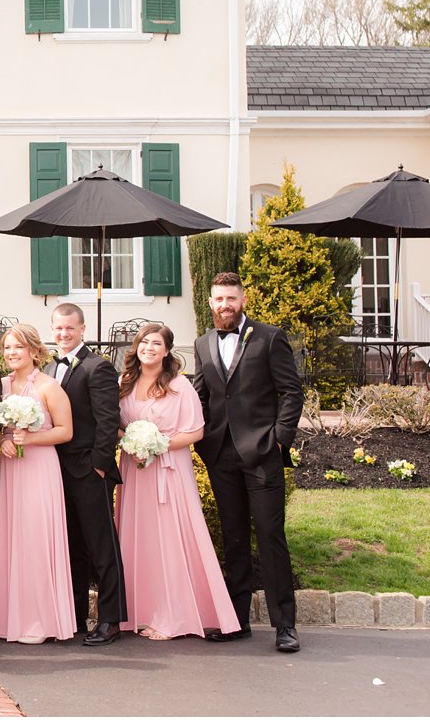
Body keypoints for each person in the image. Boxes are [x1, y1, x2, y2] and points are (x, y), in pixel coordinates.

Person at [190, 272, 303, 654]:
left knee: (271, 538)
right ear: (210, 302)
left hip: (262, 454)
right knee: (234, 537)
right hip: (220, 454)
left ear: (243, 299)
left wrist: (278, 441)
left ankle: (284, 625)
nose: (225, 305)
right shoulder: (203, 343)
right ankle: (236, 620)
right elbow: (200, 396)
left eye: (231, 298)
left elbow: (291, 392)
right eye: (219, 299)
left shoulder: (270, 337)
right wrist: (202, 441)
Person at [117, 323, 242, 641]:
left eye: (156, 343)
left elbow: (196, 431)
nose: (149, 348)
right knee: (140, 539)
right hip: (135, 471)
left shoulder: (179, 385)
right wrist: (131, 441)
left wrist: (157, 444)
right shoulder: (125, 382)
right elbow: (115, 425)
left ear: (167, 350)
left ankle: (174, 616)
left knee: (169, 540)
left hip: (169, 471)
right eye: (144, 342)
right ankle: (140, 612)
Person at [0, 324, 75, 645]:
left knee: (38, 538)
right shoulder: (0, 386)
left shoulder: (49, 387)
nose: (11, 353)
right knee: (15, 538)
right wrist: (1, 441)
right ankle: (11, 620)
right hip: (14, 467)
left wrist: (33, 438)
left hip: (40, 468)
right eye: (8, 347)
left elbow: (65, 431)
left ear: (34, 351)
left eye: (18, 348)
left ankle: (41, 621)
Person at [48, 302, 127, 646]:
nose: (63, 334)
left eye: (69, 328)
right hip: (56, 470)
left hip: (88, 469)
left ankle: (110, 619)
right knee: (72, 547)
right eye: (58, 329)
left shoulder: (99, 367)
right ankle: (77, 616)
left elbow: (109, 420)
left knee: (101, 546)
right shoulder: (50, 368)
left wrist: (99, 464)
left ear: (82, 329)